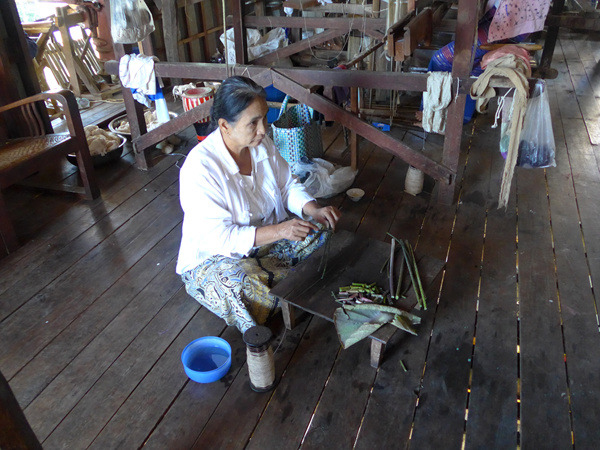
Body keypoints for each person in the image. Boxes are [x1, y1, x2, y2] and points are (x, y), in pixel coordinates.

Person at [176, 76, 341, 332]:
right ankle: (288, 282)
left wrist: (313, 210)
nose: (263, 129)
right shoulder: (200, 168)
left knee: (321, 233)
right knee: (238, 285)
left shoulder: (261, 144)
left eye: (264, 117)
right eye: (253, 122)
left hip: (266, 244)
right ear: (224, 126)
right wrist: (282, 231)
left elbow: (287, 185)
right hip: (218, 258)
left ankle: (282, 284)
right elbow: (221, 238)